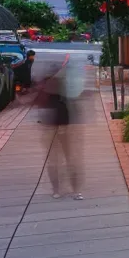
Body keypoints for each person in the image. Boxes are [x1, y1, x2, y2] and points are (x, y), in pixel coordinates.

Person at [42, 57, 83, 200]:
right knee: (59, 160)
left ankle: (68, 189)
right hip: (54, 126)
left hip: (62, 125)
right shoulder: (51, 84)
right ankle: (61, 189)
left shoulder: (64, 84)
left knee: (67, 158)